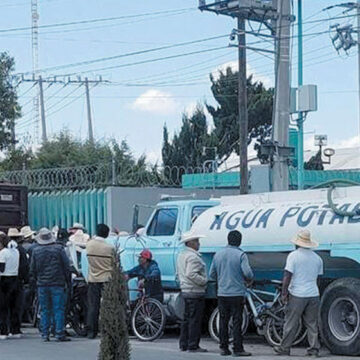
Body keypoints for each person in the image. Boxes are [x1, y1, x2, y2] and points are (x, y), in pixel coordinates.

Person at [273, 229, 323, 357]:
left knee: (291, 322)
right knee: (312, 324)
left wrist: (284, 293)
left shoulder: (293, 256)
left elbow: (287, 276)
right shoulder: (318, 258)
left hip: (297, 294)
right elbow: (318, 278)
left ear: (298, 243)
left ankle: (284, 348)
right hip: (313, 294)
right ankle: (314, 350)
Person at [209, 230, 253, 357]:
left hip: (222, 293)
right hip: (237, 293)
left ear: (228, 240)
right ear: (239, 241)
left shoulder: (218, 254)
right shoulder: (241, 255)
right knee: (237, 321)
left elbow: (212, 274)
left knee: (223, 320)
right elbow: (248, 273)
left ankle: (223, 348)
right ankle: (238, 348)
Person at [29, 228, 71, 342]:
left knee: (45, 309)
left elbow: (32, 269)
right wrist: (68, 281)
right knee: (58, 309)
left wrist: (36, 280)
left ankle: (45, 334)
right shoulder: (59, 249)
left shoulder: (36, 251)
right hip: (57, 282)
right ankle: (59, 332)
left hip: (42, 283)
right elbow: (66, 266)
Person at [176, 231, 208, 353]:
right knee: (195, 319)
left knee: (186, 319)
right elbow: (191, 273)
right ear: (190, 243)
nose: (198, 243)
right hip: (195, 291)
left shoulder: (181, 255)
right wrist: (203, 281)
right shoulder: (193, 257)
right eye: (196, 241)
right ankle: (193, 345)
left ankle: (183, 343)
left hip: (185, 290)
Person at [86, 223, 114, 339]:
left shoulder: (89, 245)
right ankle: (108, 330)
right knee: (108, 306)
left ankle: (92, 331)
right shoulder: (110, 248)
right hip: (107, 279)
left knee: (93, 306)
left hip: (93, 279)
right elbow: (115, 264)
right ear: (107, 234)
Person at [8, 228, 30, 336]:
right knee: (16, 305)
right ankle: (15, 328)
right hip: (18, 280)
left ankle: (6, 327)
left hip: (5, 279)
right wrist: (26, 279)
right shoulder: (20, 250)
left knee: (6, 305)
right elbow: (25, 266)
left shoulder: (5, 250)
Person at [0, 232, 20, 340]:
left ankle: (3, 331)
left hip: (4, 280)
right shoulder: (15, 251)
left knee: (3, 307)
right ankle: (15, 330)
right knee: (14, 306)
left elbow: (1, 268)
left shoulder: (3, 253)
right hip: (15, 278)